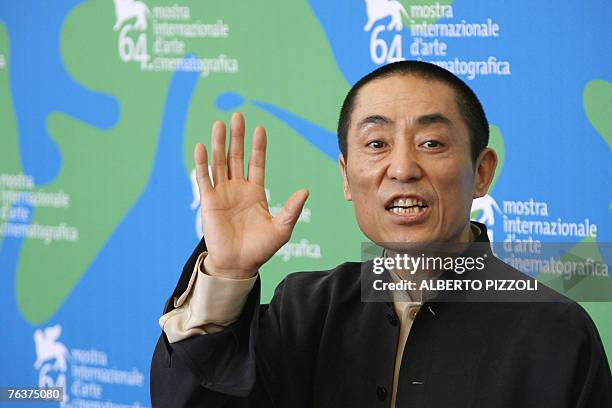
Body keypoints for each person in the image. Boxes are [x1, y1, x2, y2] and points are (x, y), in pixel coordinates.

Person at [150, 61, 612, 407]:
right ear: (347, 178)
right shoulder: (305, 309)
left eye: (431, 143)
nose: (404, 168)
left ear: (482, 172)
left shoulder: (557, 333)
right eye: (376, 145)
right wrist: (227, 272)